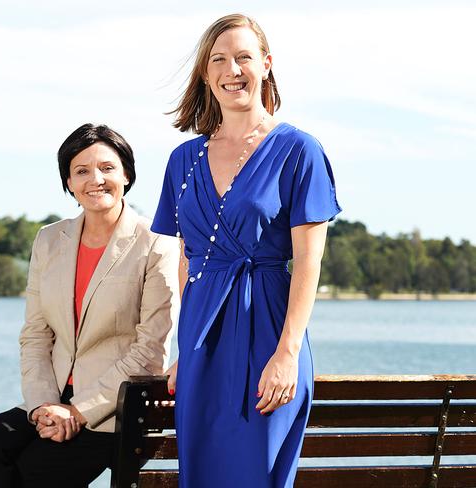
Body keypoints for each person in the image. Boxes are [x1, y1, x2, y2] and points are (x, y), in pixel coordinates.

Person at [151, 14, 342, 487]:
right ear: (205, 74)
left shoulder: (300, 150)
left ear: (266, 66)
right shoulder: (182, 160)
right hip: (200, 344)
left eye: (243, 57)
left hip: (268, 336)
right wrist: (183, 348)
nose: (231, 69)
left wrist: (287, 354)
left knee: (256, 473)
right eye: (218, 59)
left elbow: (309, 262)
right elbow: (185, 259)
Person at [0, 123, 179, 488]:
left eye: (107, 167)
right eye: (81, 170)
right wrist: (43, 405)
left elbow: (150, 350)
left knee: (35, 471)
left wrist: (78, 411)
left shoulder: (158, 243)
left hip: (114, 409)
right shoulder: (49, 239)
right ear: (69, 183)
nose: (96, 179)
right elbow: (36, 335)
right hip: (50, 399)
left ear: (126, 174)